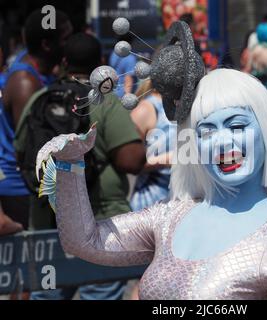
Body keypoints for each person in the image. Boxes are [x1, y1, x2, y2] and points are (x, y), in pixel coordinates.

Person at [37, 65, 267, 299]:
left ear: (266, 132)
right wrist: (69, 165)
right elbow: (84, 241)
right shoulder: (170, 217)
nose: (223, 142)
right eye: (207, 131)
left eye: (237, 126)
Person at [15, 32, 146, 300]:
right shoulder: (104, 102)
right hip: (97, 221)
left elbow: (22, 154)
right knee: (99, 293)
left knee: (47, 294)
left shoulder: (39, 99)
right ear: (100, 65)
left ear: (63, 62)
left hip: (47, 225)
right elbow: (131, 161)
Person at [0, 10, 72, 229]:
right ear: (47, 45)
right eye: (66, 39)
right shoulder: (26, 82)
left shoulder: (44, 74)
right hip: (20, 188)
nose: (70, 45)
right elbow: (33, 148)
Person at [129, 80, 177, 211]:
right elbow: (129, 163)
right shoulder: (146, 109)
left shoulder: (193, 105)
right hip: (150, 207)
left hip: (185, 207)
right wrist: (166, 160)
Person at [109, 33, 137, 98]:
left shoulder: (113, 54)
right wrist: (127, 97)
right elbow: (128, 78)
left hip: (114, 93)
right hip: (123, 95)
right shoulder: (130, 58)